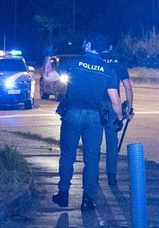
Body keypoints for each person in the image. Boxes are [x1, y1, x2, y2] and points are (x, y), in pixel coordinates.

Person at [42, 32, 124, 211]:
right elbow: (115, 100)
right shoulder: (108, 70)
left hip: (72, 114)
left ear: (88, 45)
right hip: (95, 118)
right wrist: (119, 118)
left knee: (67, 156)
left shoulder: (73, 63)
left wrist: (48, 56)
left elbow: (47, 77)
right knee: (92, 160)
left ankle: (63, 194)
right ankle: (88, 199)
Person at [100, 41, 134, 188]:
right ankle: (112, 175)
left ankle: (92, 174)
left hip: (96, 103)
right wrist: (129, 108)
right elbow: (128, 87)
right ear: (111, 46)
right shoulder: (119, 62)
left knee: (93, 141)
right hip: (113, 104)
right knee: (112, 142)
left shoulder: (95, 60)